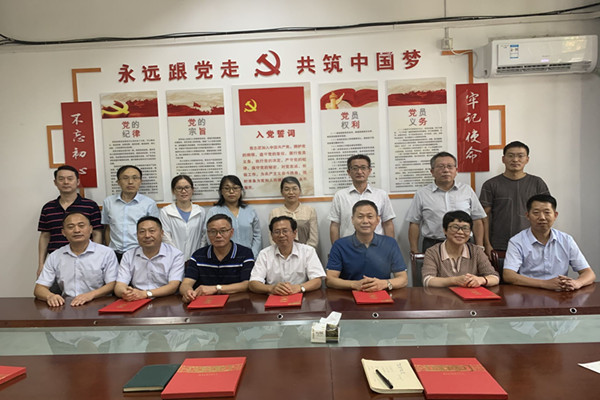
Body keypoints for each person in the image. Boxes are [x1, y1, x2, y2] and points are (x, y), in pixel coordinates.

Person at [503, 194, 595, 291]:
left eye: (547, 212)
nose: (542, 217)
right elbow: (508, 275)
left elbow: (589, 273)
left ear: (555, 215)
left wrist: (577, 283)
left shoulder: (566, 240)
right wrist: (545, 284)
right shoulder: (517, 241)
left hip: (560, 294)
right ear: (527, 216)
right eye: (536, 213)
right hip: (529, 292)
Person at [406, 151, 486, 254]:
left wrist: (479, 246)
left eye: (450, 166)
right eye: (441, 167)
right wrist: (414, 251)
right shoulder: (422, 193)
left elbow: (477, 219)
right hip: (433, 244)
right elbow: (414, 223)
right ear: (432, 171)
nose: (446, 170)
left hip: (463, 244)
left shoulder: (467, 190)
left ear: (456, 171)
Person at [480, 141, 550, 257]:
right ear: (503, 159)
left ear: (527, 159)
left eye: (520, 156)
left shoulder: (537, 183)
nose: (515, 160)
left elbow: (547, 214)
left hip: (532, 244)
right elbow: (484, 217)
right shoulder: (491, 184)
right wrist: (487, 244)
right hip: (499, 245)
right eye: (511, 156)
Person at [34, 212, 118, 307]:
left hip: (98, 304)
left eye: (81, 226)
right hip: (67, 305)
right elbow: (39, 288)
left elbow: (112, 284)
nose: (77, 230)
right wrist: (50, 296)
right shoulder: (55, 256)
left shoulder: (106, 253)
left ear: (90, 229)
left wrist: (90, 295)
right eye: (70, 227)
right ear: (63, 232)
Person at [326, 200, 407, 291]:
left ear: (377, 220)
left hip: (382, 294)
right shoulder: (339, 245)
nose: (365, 221)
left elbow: (403, 279)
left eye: (370, 216)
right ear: (352, 220)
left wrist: (384, 283)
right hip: (349, 294)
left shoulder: (390, 243)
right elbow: (330, 280)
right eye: (360, 217)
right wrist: (354, 284)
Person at [37, 165, 102, 276]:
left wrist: (96, 257)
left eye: (70, 179)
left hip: (85, 260)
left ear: (78, 182)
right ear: (55, 182)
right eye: (61, 179)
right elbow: (45, 236)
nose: (66, 182)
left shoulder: (90, 205)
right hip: (56, 261)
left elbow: (97, 233)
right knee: (53, 287)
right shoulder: (48, 208)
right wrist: (41, 264)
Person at [180, 214, 254, 303]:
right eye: (213, 231)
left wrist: (216, 288)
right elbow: (186, 283)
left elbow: (247, 284)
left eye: (223, 231)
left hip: (235, 303)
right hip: (205, 304)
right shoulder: (198, 255)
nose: (218, 235)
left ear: (231, 232)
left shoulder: (245, 253)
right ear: (207, 233)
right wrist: (188, 292)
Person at [328, 154, 395, 244]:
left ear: (369, 171)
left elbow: (388, 223)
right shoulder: (340, 196)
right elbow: (335, 225)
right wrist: (336, 248)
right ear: (349, 172)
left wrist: (389, 247)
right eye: (355, 168)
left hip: (377, 246)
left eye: (363, 168)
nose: (359, 172)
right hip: (348, 247)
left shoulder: (381, 195)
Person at [421, 211, 499, 288]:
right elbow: (427, 280)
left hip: (469, 295)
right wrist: (455, 280)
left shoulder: (476, 251)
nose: (460, 232)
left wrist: (481, 280)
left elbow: (494, 277)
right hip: (442, 295)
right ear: (445, 230)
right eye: (455, 227)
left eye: (465, 228)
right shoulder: (433, 252)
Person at [249, 216, 325, 295]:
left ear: (294, 233)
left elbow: (317, 280)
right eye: (277, 232)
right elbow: (253, 283)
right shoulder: (264, 254)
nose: (281, 235)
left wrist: (299, 287)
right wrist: (271, 288)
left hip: (301, 296)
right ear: (272, 235)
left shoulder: (308, 251)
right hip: (274, 297)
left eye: (285, 231)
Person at [114, 216, 184, 300]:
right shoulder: (128, 255)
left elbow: (173, 286)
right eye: (142, 232)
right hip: (136, 299)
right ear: (137, 235)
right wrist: (125, 293)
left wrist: (146, 293)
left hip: (166, 300)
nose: (147, 235)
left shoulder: (175, 255)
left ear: (162, 233)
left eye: (152, 231)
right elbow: (119, 286)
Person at [102, 165, 159, 261]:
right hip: (115, 254)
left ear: (140, 181)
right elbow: (108, 228)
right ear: (118, 182)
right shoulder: (108, 202)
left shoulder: (149, 204)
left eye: (135, 178)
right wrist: (109, 250)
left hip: (139, 253)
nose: (130, 182)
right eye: (125, 178)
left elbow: (154, 231)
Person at [202, 175, 261, 257]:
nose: (231, 191)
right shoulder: (214, 211)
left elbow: (257, 235)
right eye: (227, 188)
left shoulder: (250, 211)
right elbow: (208, 235)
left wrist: (252, 255)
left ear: (241, 190)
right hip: (222, 257)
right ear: (221, 191)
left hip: (248, 257)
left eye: (235, 188)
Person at [160, 175, 206, 260]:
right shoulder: (166, 212)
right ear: (173, 191)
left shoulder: (200, 211)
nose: (183, 191)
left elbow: (204, 237)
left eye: (187, 187)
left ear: (192, 190)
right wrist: (177, 256)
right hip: (173, 258)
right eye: (179, 188)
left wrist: (199, 254)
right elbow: (165, 237)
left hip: (196, 258)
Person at [268, 176, 318, 248]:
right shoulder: (275, 213)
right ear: (282, 192)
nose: (291, 192)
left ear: (300, 191)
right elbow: (273, 239)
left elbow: (313, 239)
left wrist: (304, 252)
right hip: (281, 252)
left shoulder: (310, 211)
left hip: (306, 252)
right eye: (287, 189)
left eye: (294, 189)